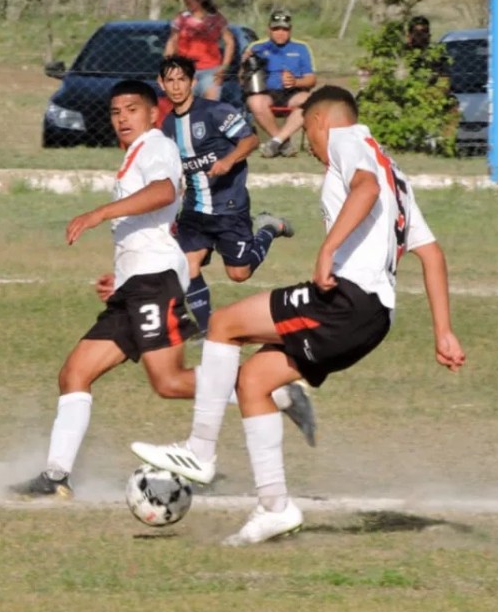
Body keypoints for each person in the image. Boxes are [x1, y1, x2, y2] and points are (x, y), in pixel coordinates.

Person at [132, 85, 465, 545]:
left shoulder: (351, 142)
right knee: (254, 383)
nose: (308, 145)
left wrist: (327, 250)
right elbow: (432, 255)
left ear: (322, 122)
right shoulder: (397, 174)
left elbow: (363, 189)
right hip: (374, 317)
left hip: (346, 299)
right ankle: (274, 508)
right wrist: (443, 332)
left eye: (307, 131)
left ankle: (199, 451)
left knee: (225, 324)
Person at [10, 80, 315, 499]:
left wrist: (99, 213)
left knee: (169, 381)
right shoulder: (135, 154)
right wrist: (119, 277)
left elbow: (163, 192)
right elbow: (145, 228)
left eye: (132, 110)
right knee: (74, 374)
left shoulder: (156, 146)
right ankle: (56, 476)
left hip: (154, 282)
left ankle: (272, 390)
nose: (122, 119)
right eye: (116, 112)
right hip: (135, 284)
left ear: (153, 113)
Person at [158, 56, 302, 358]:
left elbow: (249, 140)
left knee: (239, 274)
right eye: (169, 80)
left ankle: (267, 228)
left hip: (229, 206)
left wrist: (227, 161)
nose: (176, 86)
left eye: (181, 79)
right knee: (187, 264)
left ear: (193, 81)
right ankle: (208, 330)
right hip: (195, 210)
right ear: (162, 84)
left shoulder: (214, 112)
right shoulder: (168, 124)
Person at [242, 10, 316, 158]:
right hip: (266, 91)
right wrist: (244, 63)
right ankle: (282, 141)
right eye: (276, 29)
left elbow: (311, 80)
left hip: (293, 92)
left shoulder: (301, 48)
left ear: (290, 30)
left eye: (284, 29)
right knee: (254, 101)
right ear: (269, 29)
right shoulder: (257, 47)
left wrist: (296, 81)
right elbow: (242, 76)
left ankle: (276, 142)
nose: (280, 33)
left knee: (308, 101)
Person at [163, 0, 235, 101]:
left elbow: (230, 42)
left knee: (209, 106)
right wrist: (166, 66)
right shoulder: (181, 18)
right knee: (186, 105)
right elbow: (172, 42)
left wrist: (224, 67)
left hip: (210, 71)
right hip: (185, 70)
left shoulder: (216, 19)